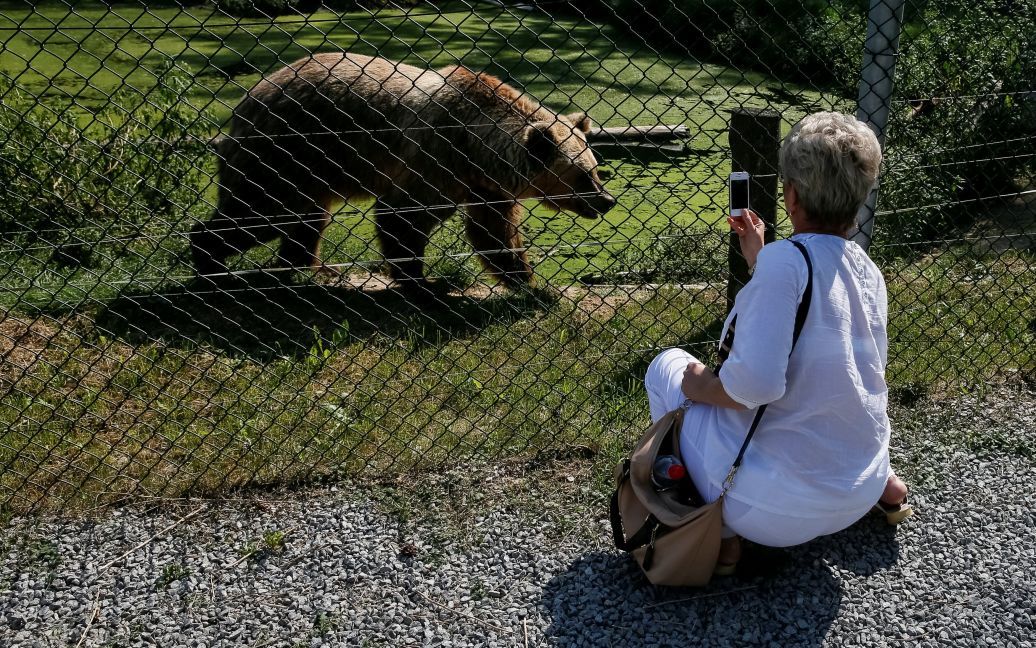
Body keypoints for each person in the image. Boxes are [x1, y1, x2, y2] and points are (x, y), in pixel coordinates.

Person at [643, 111, 912, 573]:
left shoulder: (784, 263)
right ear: (861, 195)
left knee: (667, 365)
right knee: (843, 378)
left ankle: (719, 533)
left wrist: (701, 386)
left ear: (791, 195)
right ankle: (887, 484)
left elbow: (755, 387)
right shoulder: (866, 269)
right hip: (857, 488)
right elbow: (821, 325)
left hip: (770, 511)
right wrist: (761, 260)